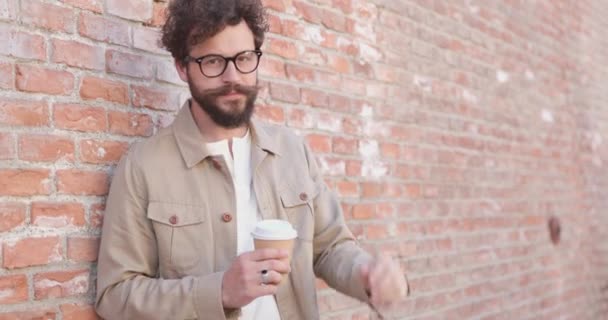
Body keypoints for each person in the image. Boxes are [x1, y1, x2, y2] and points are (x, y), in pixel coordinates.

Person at [95, 0, 409, 319]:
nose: (233, 77)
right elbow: (115, 295)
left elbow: (330, 248)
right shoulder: (143, 166)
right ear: (182, 66)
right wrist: (218, 292)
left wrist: (367, 274)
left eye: (244, 58)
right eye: (213, 61)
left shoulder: (292, 152)